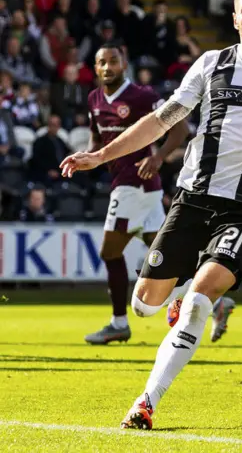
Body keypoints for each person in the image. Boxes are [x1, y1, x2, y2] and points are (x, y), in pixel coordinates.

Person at [59, 0, 242, 429]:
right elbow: (161, 121)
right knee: (143, 303)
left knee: (200, 301)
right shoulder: (210, 64)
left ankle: (146, 402)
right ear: (235, 19)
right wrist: (100, 155)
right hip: (194, 199)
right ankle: (177, 294)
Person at [82, 43, 189, 345]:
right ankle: (211, 298)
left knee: (110, 252)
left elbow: (179, 129)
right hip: (137, 187)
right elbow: (96, 140)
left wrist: (158, 157)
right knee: (163, 252)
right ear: (96, 66)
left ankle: (118, 323)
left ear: (124, 63)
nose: (107, 67)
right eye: (101, 62)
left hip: (135, 184)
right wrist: (85, 159)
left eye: (113, 61)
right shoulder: (94, 99)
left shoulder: (142, 96)